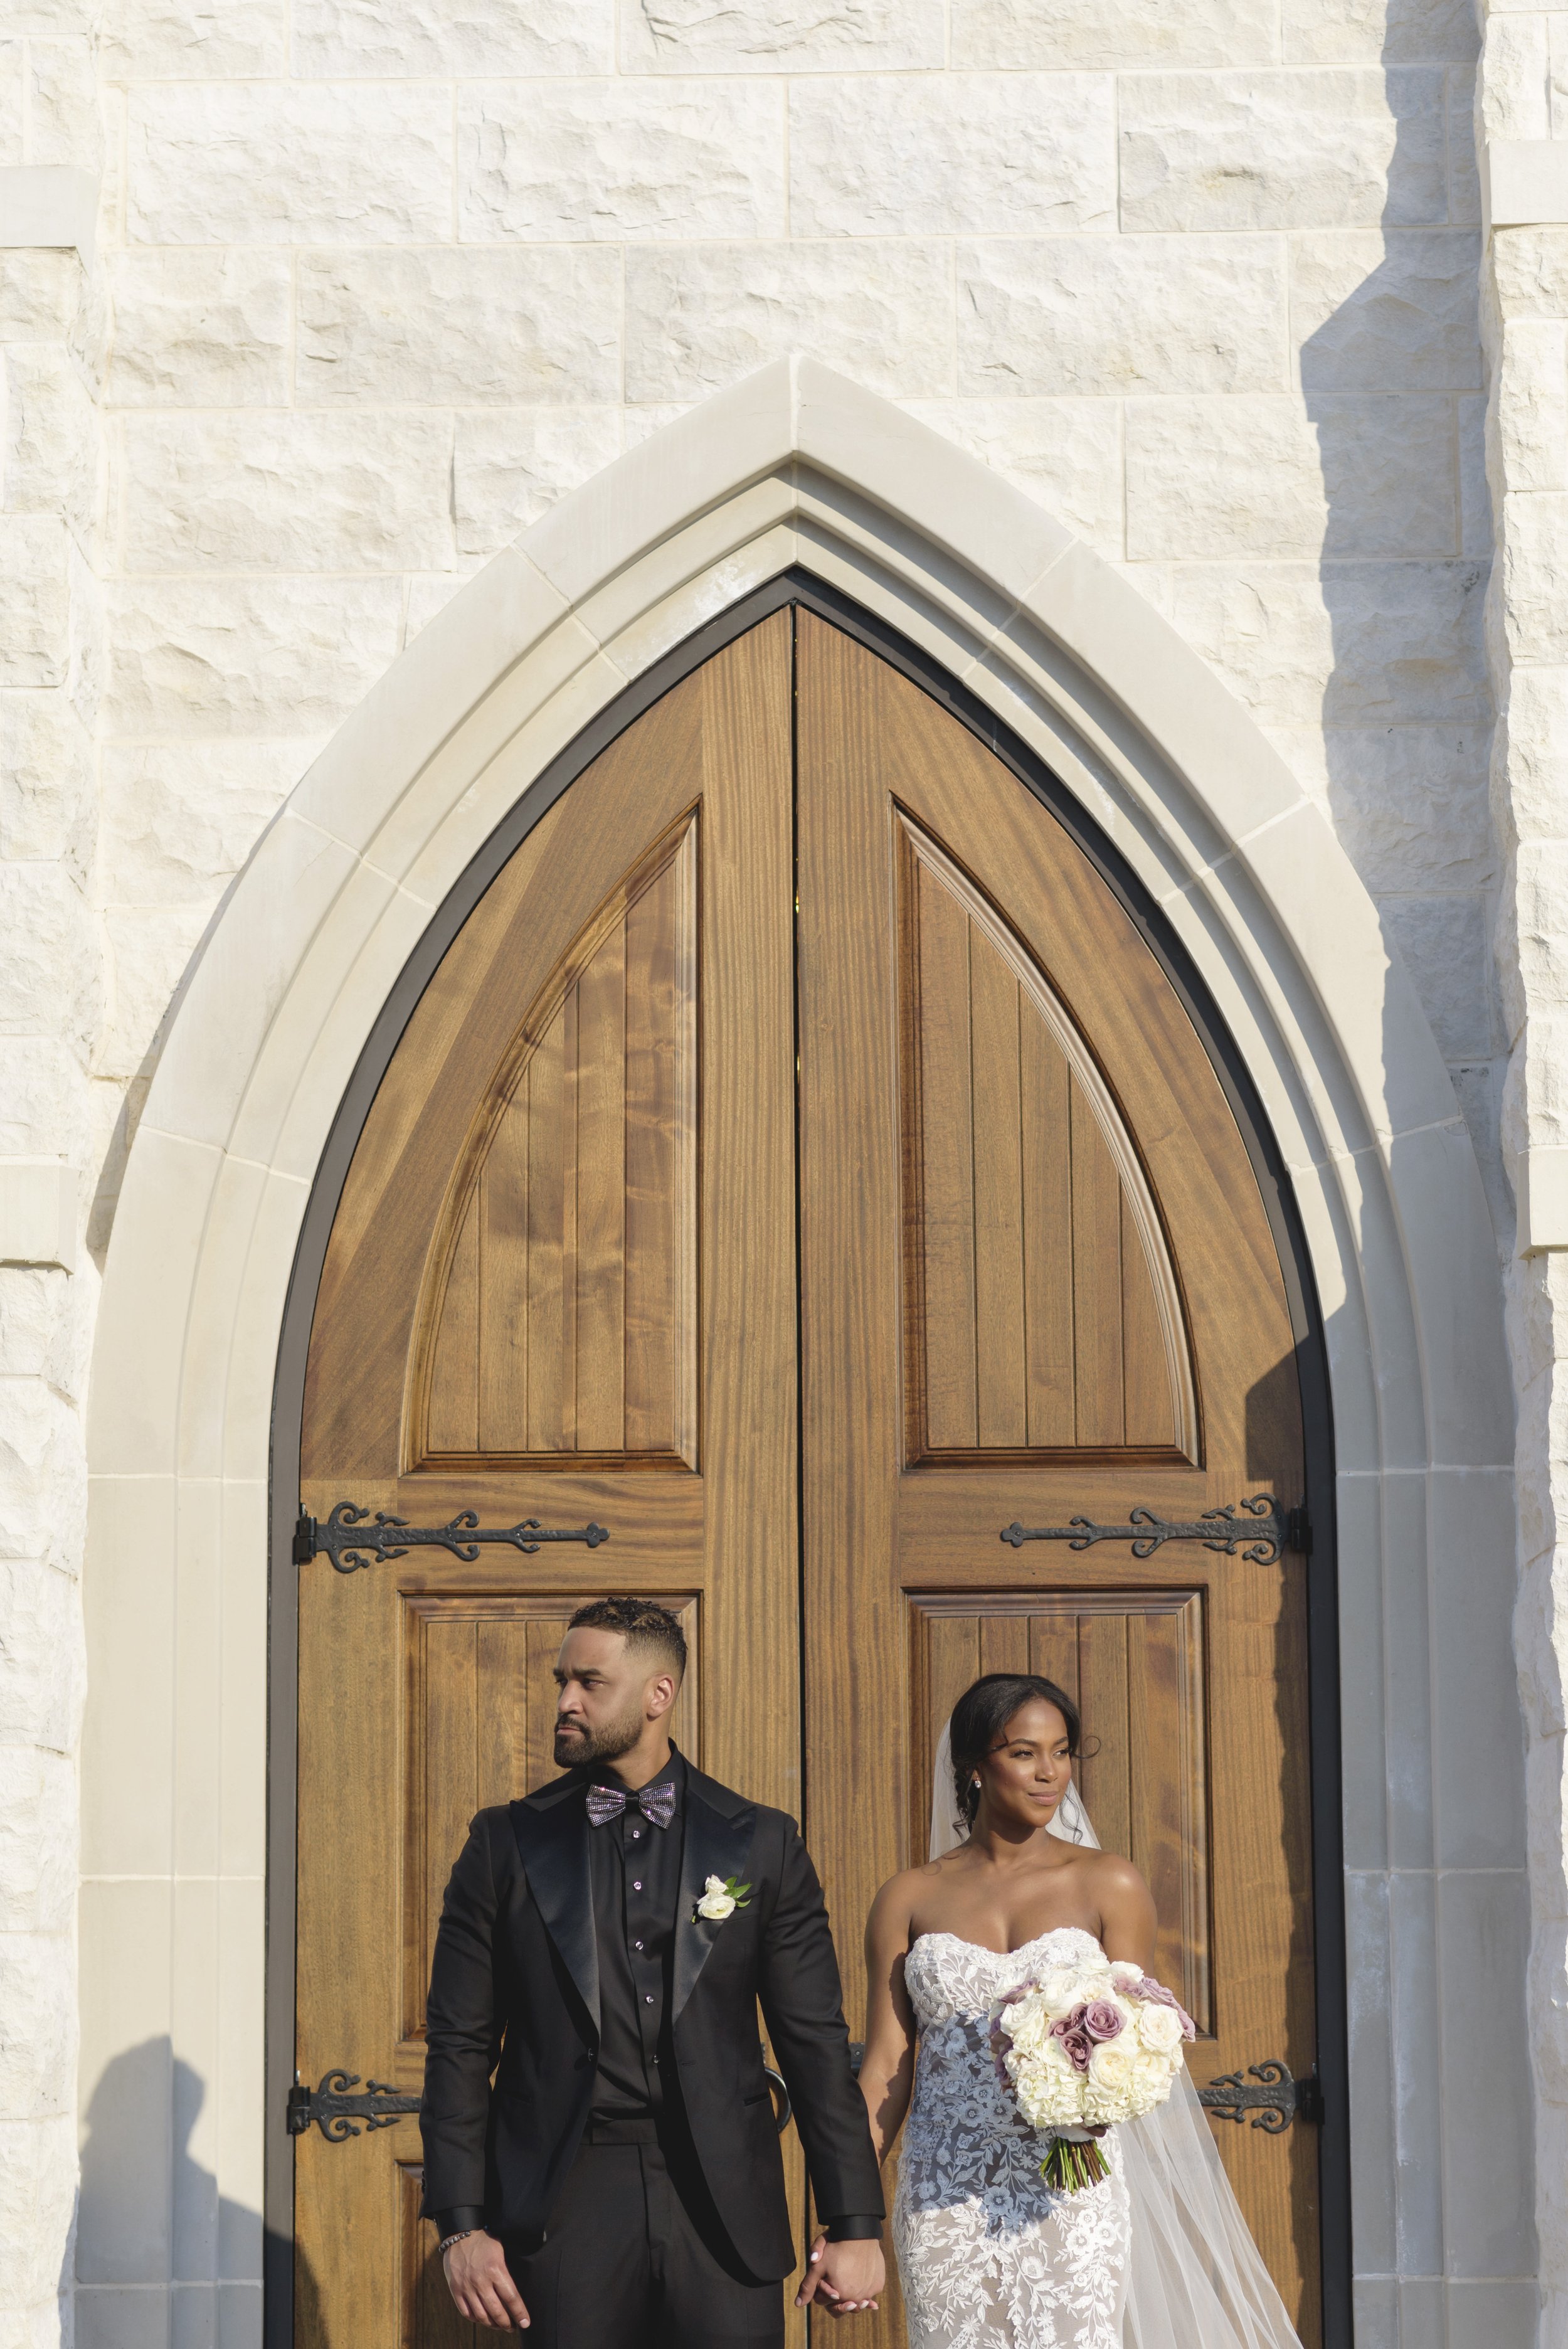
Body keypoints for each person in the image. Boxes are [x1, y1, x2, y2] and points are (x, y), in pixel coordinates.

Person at [420, 1595, 886, 2341]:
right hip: (564, 2200)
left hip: (724, 2200)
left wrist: (855, 2220)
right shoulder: (503, 1842)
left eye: (589, 1683)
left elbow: (813, 2044)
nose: (565, 1701)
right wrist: (459, 2225)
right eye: (560, 1681)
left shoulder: (761, 1843)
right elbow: (460, 2043)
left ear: (657, 1695)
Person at [856, 1672, 1307, 2349]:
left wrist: (1094, 2093)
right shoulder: (907, 1897)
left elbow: (1142, 2043)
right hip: (943, 2187)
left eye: (1061, 1752)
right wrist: (849, 2213)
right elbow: (886, 2067)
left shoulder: (1110, 1883)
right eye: (1023, 1753)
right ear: (975, 1766)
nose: (1049, 1774)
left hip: (1068, 2187)